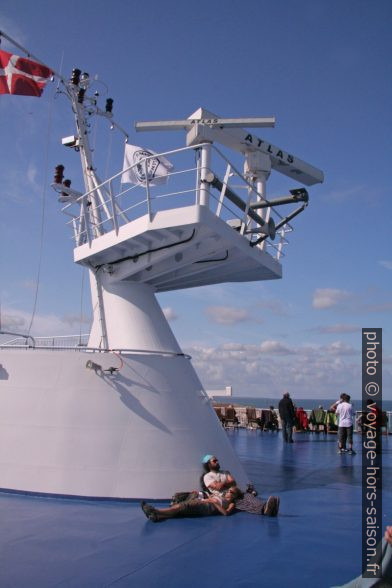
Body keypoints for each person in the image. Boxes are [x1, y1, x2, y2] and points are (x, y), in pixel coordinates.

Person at [141, 486, 242, 522]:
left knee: (183, 506)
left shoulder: (231, 503)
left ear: (235, 495)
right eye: (229, 490)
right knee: (182, 509)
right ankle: (157, 516)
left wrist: (214, 503)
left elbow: (226, 513)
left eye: (231, 491)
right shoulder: (222, 496)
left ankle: (156, 511)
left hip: (207, 507)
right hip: (204, 502)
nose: (228, 492)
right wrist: (209, 497)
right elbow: (212, 498)